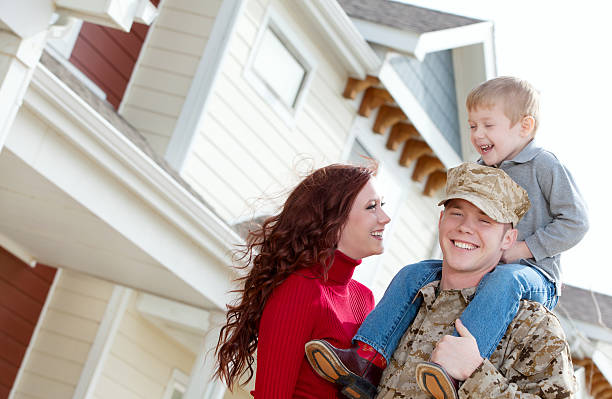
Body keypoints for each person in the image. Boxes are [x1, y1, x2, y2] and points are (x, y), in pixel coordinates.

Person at [304, 77, 588, 399]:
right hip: (500, 271)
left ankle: (451, 370)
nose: (477, 134)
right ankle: (367, 359)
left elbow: (576, 221)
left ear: (524, 127)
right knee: (414, 271)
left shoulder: (544, 165)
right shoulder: (482, 169)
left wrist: (524, 250)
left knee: (505, 281)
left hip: (535, 274)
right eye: (472, 126)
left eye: (488, 125)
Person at [307, 162, 576, 399]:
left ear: (508, 239)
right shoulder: (406, 301)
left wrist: (475, 374)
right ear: (441, 219)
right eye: (457, 213)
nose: (465, 227)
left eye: (485, 220)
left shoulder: (531, 324)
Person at [214, 163, 391, 398]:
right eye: (371, 207)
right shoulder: (300, 290)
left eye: (382, 206)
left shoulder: (364, 298)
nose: (385, 218)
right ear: (334, 221)